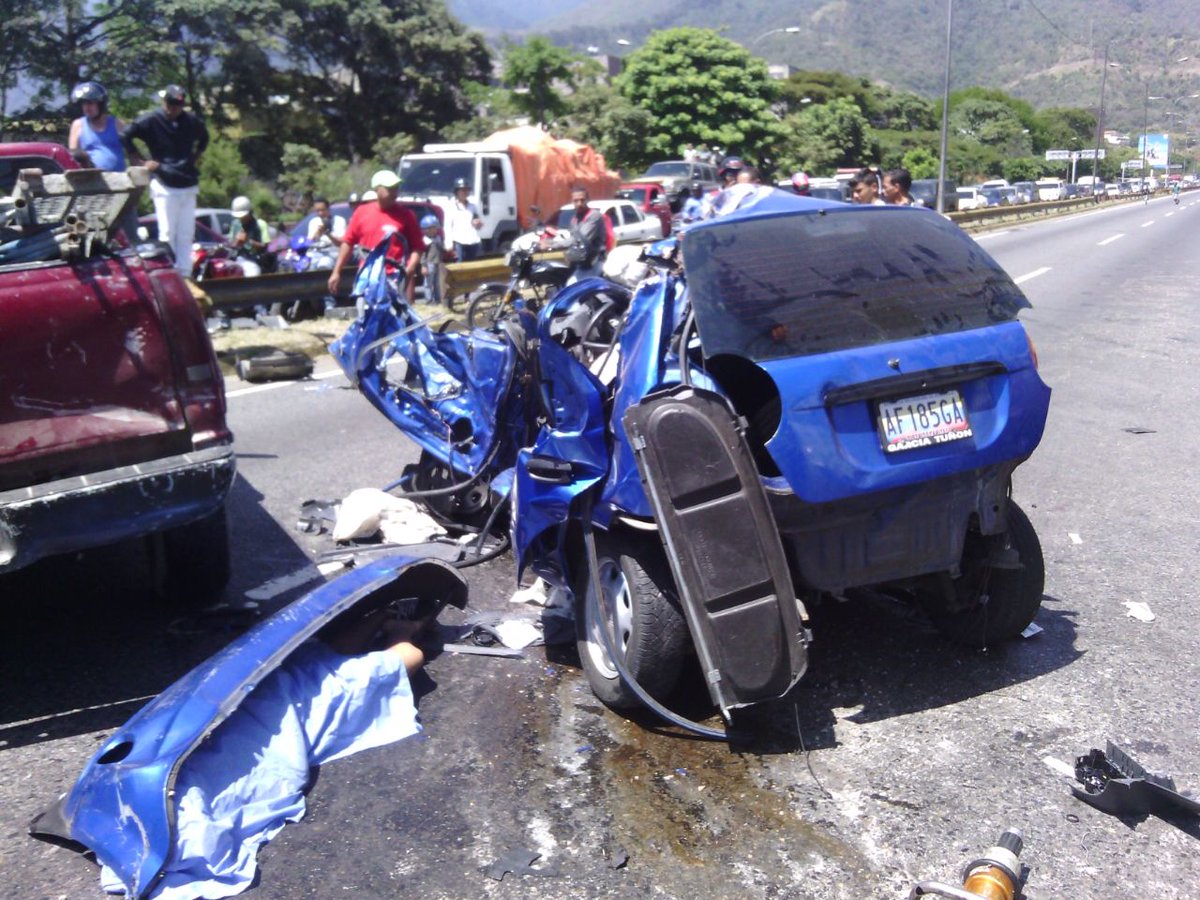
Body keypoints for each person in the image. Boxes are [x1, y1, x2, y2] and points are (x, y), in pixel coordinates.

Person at [121, 84, 209, 277]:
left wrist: (196, 157)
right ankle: (170, 272)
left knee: (186, 234)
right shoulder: (152, 120)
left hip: (187, 182)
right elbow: (126, 134)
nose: (172, 109)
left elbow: (204, 137)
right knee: (167, 233)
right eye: (170, 104)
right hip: (164, 183)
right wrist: (139, 160)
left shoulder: (190, 121)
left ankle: (185, 273)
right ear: (164, 102)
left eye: (177, 105)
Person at [327, 169, 425, 303]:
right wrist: (336, 271)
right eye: (390, 189)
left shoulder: (406, 215)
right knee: (367, 315)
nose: (394, 192)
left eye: (396, 188)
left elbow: (417, 246)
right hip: (368, 275)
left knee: (394, 317)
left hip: (394, 276)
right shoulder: (361, 212)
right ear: (377, 189)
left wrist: (410, 268)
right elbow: (348, 243)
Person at [67, 81, 138, 241]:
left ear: (100, 104)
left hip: (120, 185)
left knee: (130, 231)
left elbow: (132, 152)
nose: (87, 107)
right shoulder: (78, 125)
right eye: (84, 104)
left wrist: (139, 173)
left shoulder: (117, 124)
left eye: (91, 103)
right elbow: (72, 155)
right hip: (94, 186)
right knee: (99, 234)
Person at [549, 186, 607, 284]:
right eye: (576, 201)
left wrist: (553, 244)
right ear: (572, 201)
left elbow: (580, 240)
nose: (579, 204)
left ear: (588, 200)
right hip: (581, 262)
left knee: (573, 288)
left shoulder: (594, 216)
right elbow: (571, 238)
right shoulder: (575, 219)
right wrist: (549, 242)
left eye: (582, 200)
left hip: (595, 262)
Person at [228, 195, 273, 271]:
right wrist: (236, 242)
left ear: (250, 212)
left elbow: (265, 247)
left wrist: (248, 241)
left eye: (244, 216)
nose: (241, 218)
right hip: (238, 260)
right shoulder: (235, 224)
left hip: (255, 261)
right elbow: (231, 244)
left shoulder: (260, 224)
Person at [445, 177, 483, 262]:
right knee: (459, 266)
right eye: (462, 190)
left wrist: (478, 224)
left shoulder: (473, 206)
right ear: (456, 191)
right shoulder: (450, 206)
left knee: (472, 267)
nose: (465, 192)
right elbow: (447, 226)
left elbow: (477, 223)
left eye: (467, 190)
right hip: (458, 241)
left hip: (473, 241)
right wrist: (448, 245)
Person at [419, 214, 446, 307]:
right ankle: (429, 300)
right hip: (429, 263)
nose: (435, 230)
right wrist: (423, 266)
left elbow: (441, 249)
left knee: (437, 282)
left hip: (437, 263)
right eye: (433, 228)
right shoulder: (425, 240)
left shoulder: (438, 238)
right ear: (426, 229)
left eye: (435, 228)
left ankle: (438, 299)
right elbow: (422, 255)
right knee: (428, 283)